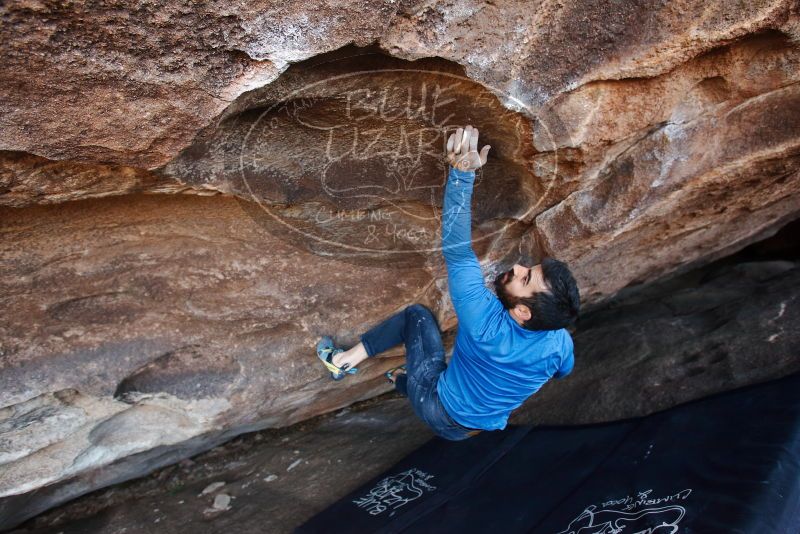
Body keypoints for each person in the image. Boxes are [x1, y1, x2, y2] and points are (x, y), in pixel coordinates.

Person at [317, 124, 580, 441]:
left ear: (524, 312)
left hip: (437, 406)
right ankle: (400, 379)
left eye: (525, 278)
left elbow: (458, 253)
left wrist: (461, 175)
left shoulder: (483, 322)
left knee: (417, 316)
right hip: (473, 429)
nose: (519, 267)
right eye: (529, 268)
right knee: (425, 378)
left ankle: (343, 362)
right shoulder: (558, 342)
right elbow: (564, 369)